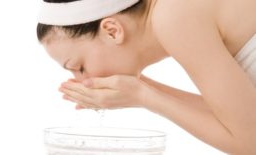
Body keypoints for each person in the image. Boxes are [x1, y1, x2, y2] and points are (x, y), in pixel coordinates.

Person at [36, 0, 256, 154]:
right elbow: (240, 120)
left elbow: (251, 142)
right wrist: (141, 88)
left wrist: (143, 95)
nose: (83, 81)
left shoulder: (174, 17)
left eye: (79, 67)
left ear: (112, 30)